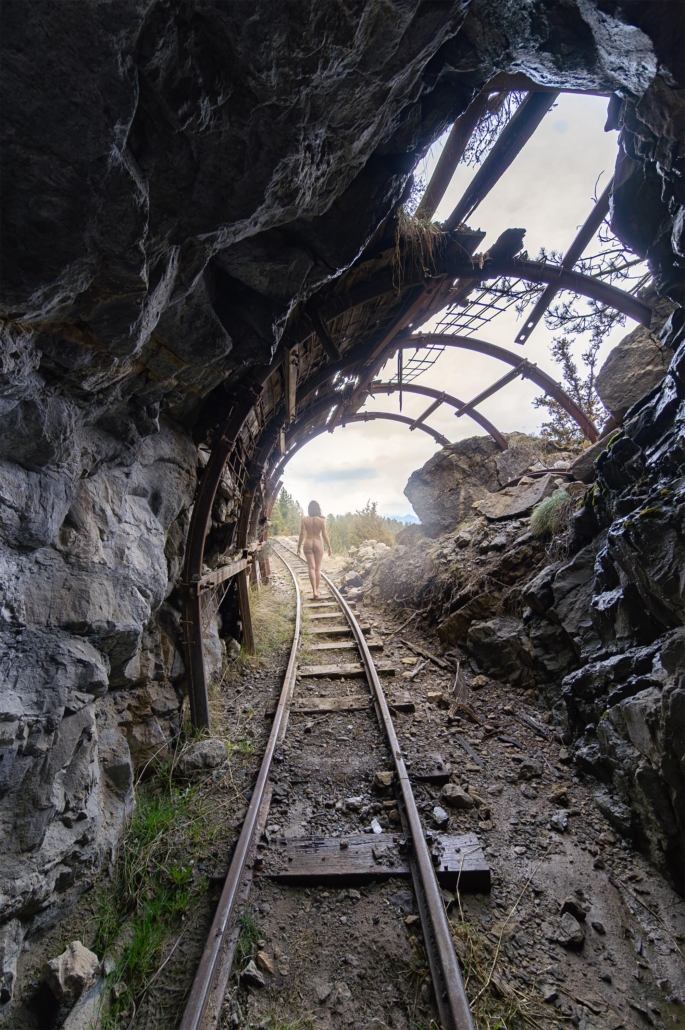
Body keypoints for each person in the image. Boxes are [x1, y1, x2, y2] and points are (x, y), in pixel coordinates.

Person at [297, 500, 332, 599]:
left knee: (311, 568)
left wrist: (298, 547)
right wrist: (329, 547)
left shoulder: (304, 519)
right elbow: (325, 534)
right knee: (317, 568)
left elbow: (302, 534)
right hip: (318, 543)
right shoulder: (321, 520)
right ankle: (317, 590)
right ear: (318, 509)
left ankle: (314, 591)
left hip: (308, 543)